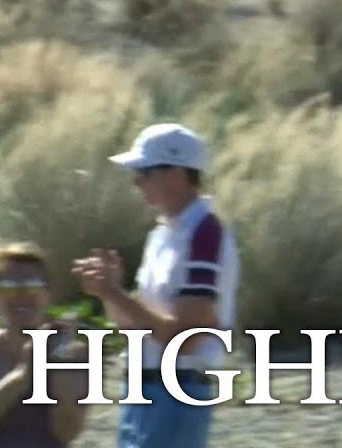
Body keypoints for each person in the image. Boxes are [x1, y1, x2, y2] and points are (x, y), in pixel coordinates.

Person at [71, 123, 240, 448]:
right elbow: (134, 328)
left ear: (176, 175)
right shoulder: (162, 234)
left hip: (177, 393)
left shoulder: (205, 234)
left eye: (144, 172)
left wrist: (114, 293)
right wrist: (109, 293)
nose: (136, 181)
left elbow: (184, 339)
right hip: (143, 391)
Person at [0, 241, 89, 447]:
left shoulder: (75, 354)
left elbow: (66, 433)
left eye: (32, 286)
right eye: (9, 288)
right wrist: (21, 376)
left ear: (48, 295)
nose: (22, 296)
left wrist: (58, 365)